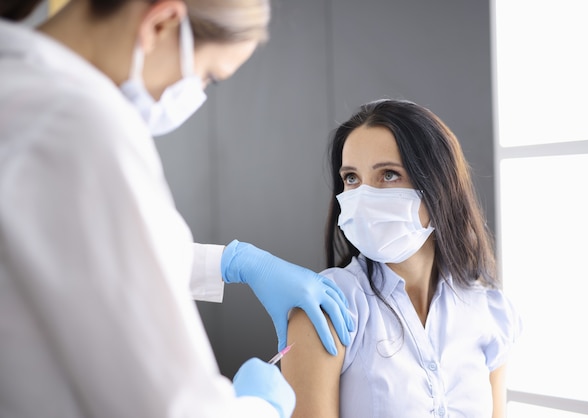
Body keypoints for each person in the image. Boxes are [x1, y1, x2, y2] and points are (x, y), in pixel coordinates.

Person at [0, 1, 354, 417]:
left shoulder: (18, 87)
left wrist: (230, 262)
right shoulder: (81, 126)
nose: (197, 93)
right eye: (208, 77)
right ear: (162, 21)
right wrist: (260, 406)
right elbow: (175, 408)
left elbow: (70, 248)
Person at [281, 99, 522, 418]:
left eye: (389, 175)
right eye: (351, 177)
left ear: (439, 185)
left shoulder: (489, 309)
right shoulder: (327, 306)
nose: (364, 196)